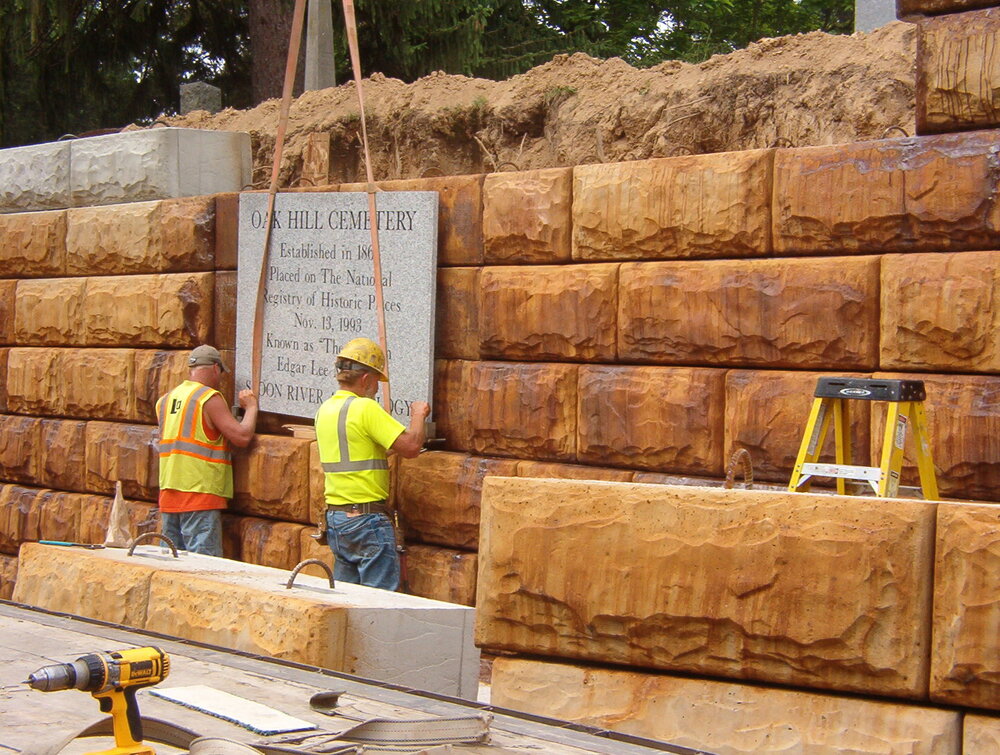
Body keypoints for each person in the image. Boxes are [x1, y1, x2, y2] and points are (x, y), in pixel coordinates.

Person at [315, 337, 429, 590]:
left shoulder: (325, 410)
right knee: (377, 604)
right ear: (366, 379)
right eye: (377, 380)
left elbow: (355, 449)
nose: (377, 387)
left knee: (347, 600)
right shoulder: (365, 408)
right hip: (366, 520)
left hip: (336, 519)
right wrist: (418, 416)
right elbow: (411, 447)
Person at [155, 344, 258, 556]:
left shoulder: (165, 400)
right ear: (214, 368)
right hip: (199, 494)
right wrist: (251, 408)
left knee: (169, 565)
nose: (220, 378)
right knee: (203, 567)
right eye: (220, 372)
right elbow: (241, 436)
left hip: (169, 495)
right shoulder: (208, 398)